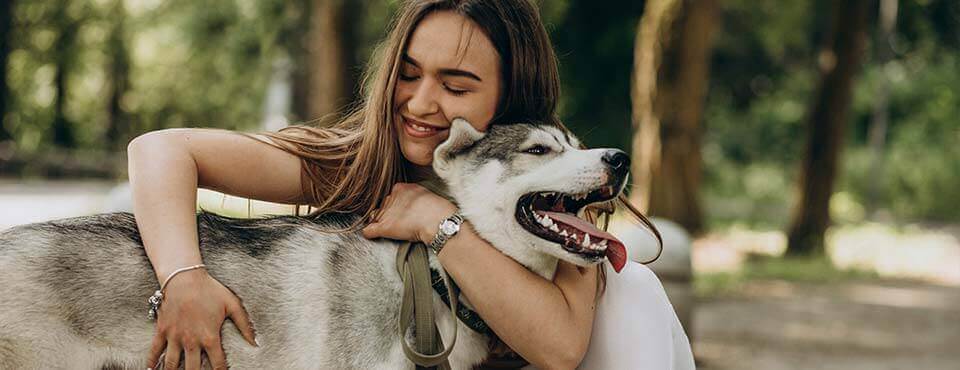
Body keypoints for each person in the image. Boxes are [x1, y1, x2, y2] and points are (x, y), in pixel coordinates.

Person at [128, 1, 693, 369]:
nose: (421, 103)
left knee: (633, 291)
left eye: (456, 85)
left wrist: (436, 221)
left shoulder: (548, 185)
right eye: (409, 73)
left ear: (511, 95)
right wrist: (183, 278)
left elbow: (560, 346)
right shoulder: (358, 161)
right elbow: (160, 150)